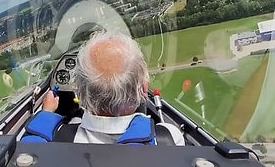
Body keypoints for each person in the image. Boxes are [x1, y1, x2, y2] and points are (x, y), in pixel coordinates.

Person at [21, 31, 184, 145]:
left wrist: (47, 113)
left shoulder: (55, 136)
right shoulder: (168, 137)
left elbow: (35, 138)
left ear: (80, 93)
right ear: (143, 89)